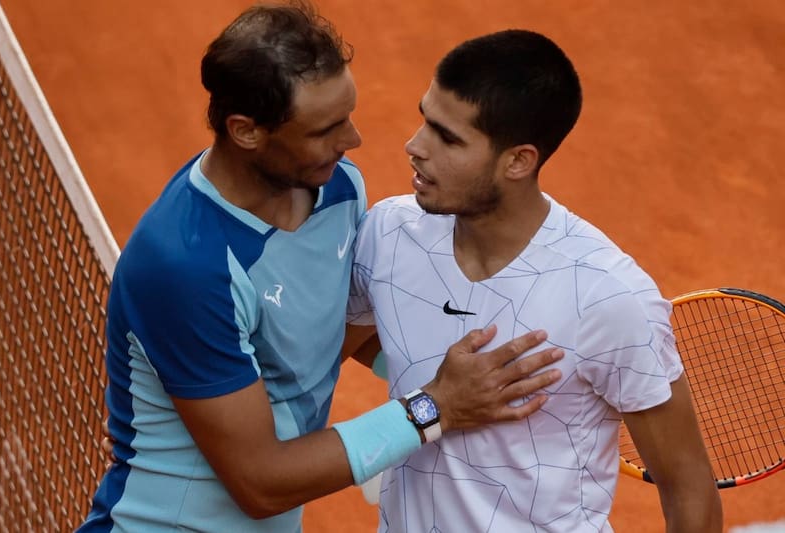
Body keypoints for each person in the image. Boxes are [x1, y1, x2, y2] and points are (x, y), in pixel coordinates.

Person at [76, 3, 565, 532]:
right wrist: (434, 407)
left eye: (347, 116)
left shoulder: (338, 188)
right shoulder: (185, 267)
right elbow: (260, 483)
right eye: (324, 129)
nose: (352, 140)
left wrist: (484, 382)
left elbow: (328, 336)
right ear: (246, 131)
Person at [347, 30, 723, 532]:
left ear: (519, 161)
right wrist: (438, 391)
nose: (415, 147)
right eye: (425, 119)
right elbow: (335, 347)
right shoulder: (388, 234)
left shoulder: (606, 296)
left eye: (448, 138)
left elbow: (688, 488)